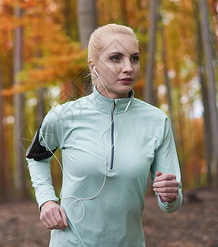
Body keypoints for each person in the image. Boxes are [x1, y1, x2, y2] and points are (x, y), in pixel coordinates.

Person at [26, 23, 182, 246]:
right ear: (94, 66)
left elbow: (172, 202)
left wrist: (170, 196)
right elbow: (36, 157)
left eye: (134, 58)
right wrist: (46, 201)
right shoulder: (63, 116)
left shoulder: (157, 121)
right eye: (116, 58)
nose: (128, 67)